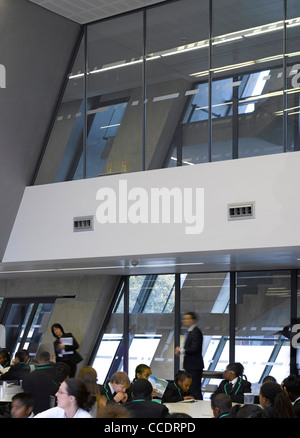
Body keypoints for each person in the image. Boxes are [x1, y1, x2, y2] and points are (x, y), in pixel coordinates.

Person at [175, 312, 204, 400]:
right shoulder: (190, 332)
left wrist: (181, 350)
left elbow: (195, 348)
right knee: (191, 388)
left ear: (193, 320)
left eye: (187, 319)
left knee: (194, 388)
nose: (184, 321)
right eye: (184, 319)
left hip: (194, 365)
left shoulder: (196, 332)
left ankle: (198, 407)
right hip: (190, 365)